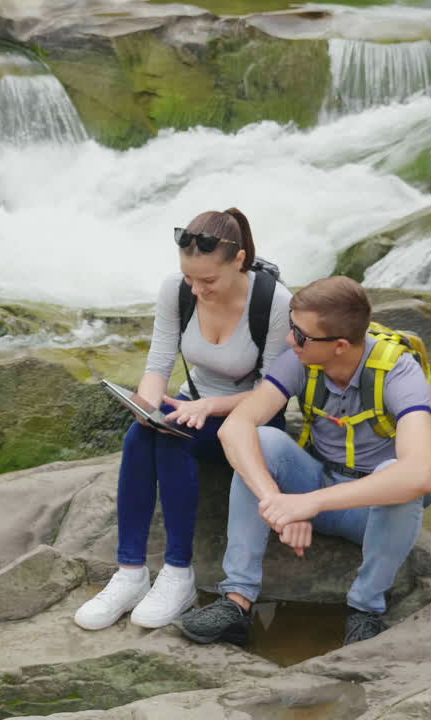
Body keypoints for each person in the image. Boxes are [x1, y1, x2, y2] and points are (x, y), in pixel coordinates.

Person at [175, 275, 431, 646]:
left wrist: (307, 504)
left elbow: (422, 475)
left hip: (370, 510)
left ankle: (366, 610)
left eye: (300, 335)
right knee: (263, 439)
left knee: (399, 477)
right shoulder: (301, 359)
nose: (289, 340)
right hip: (316, 482)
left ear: (340, 346)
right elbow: (234, 428)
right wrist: (276, 502)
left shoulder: (399, 372)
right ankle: (236, 602)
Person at [74, 208, 293, 631]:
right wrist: (149, 407)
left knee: (176, 438)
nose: (197, 289)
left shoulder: (274, 301)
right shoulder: (177, 290)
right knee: (142, 436)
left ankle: (178, 574)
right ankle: (131, 573)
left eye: (208, 281)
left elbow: (274, 391)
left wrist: (207, 408)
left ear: (239, 260)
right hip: (191, 407)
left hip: (248, 420)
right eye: (190, 278)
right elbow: (158, 364)